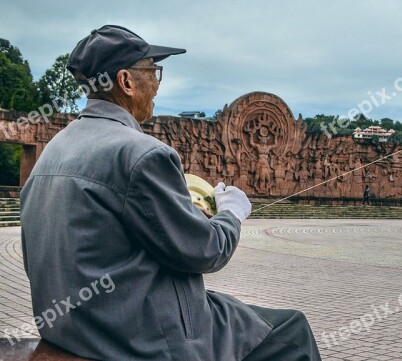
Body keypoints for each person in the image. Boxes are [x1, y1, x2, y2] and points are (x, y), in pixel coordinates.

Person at [20, 25, 321, 361]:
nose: (157, 86)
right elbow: (206, 251)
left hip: (74, 327)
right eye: (153, 72)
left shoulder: (54, 150)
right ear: (126, 82)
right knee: (292, 328)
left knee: (231, 309)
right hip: (138, 337)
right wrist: (232, 212)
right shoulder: (142, 154)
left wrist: (184, 214)